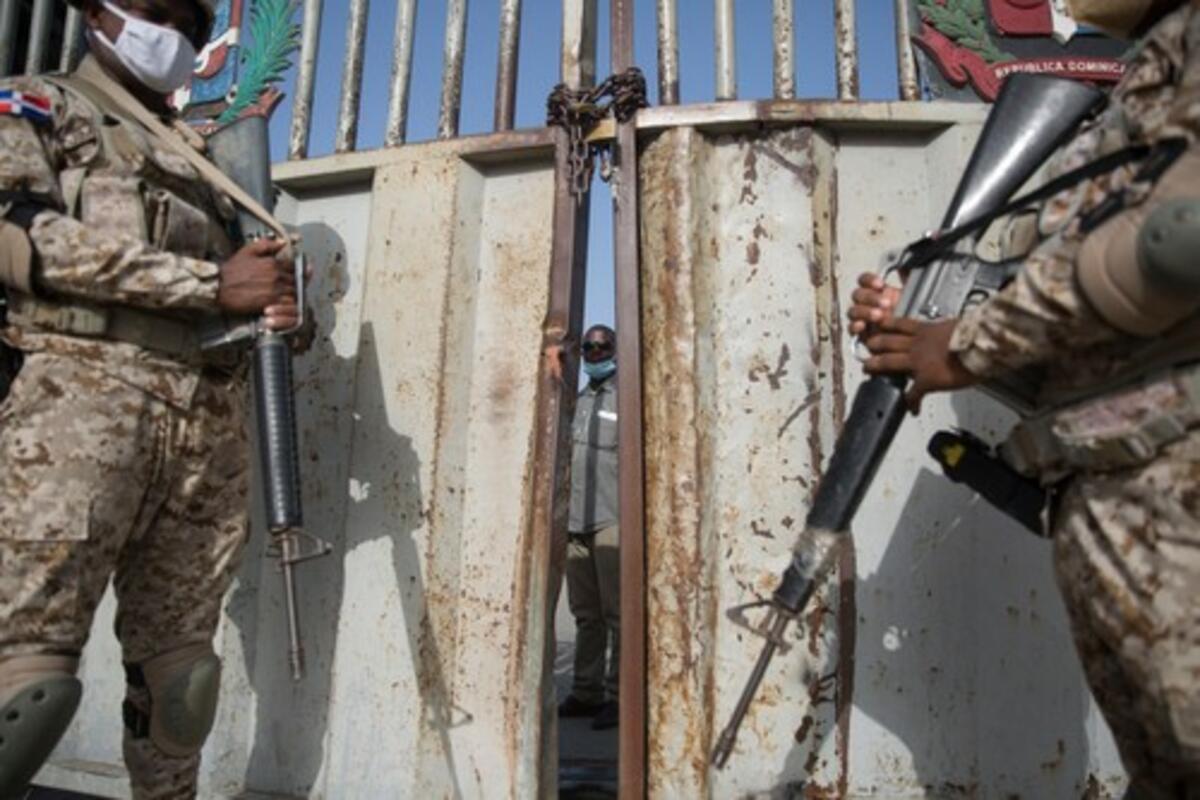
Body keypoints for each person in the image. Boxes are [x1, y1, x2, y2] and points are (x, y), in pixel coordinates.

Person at [849, 1, 1200, 796]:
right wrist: (922, 317)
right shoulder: (1140, 83)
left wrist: (970, 342)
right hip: (1115, 500)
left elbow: (1176, 244)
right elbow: (1087, 323)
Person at [0, 0, 299, 795]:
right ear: (96, 14)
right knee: (25, 689)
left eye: (188, 26)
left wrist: (277, 308)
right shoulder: (35, 104)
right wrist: (209, 285)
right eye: (151, 12)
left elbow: (247, 288)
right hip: (79, 404)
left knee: (181, 684)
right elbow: (21, 237)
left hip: (206, 424)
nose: (171, 37)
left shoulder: (206, 156)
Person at [559, 324, 621, 732]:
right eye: (588, 348)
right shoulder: (577, 400)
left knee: (617, 613)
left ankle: (619, 696)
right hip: (576, 520)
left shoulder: (624, 398)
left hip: (610, 518)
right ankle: (586, 692)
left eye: (602, 347)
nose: (595, 353)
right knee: (585, 613)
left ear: (615, 350)